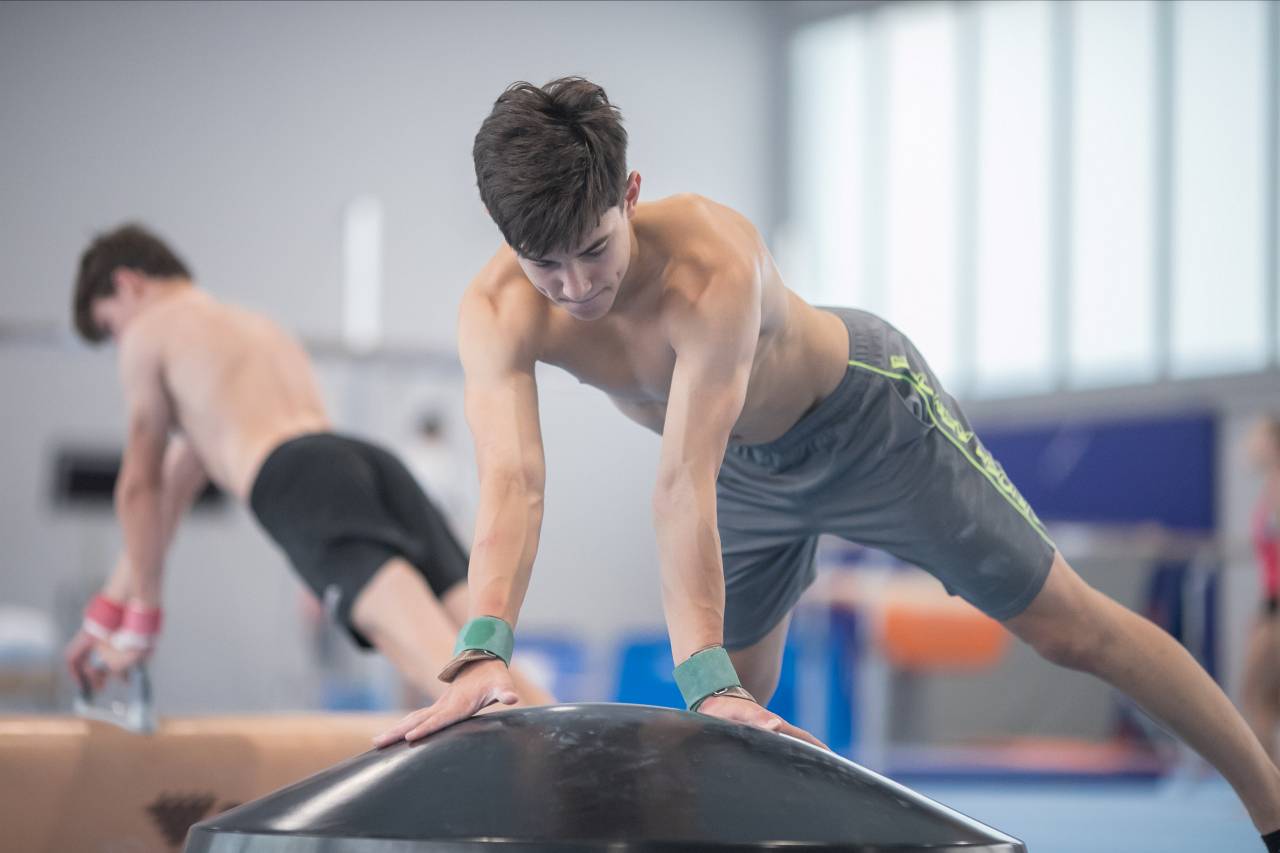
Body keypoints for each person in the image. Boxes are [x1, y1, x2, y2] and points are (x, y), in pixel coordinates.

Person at [374, 76, 1280, 848]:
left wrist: (701, 674)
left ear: (632, 194)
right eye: (545, 264)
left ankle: (1271, 800)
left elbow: (681, 480)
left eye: (594, 249)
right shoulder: (497, 309)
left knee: (1069, 627)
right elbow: (514, 479)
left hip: (867, 423)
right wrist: (482, 648)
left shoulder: (713, 265)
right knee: (728, 727)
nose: (576, 287)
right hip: (742, 473)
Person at [63, 223, 552, 710]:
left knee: (443, 670)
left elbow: (140, 489)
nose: (118, 341)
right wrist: (105, 613)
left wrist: (141, 623)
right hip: (364, 460)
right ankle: (562, 742)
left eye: (110, 327)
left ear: (127, 283)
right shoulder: (253, 326)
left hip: (293, 480)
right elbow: (167, 499)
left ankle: (519, 745)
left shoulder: (149, 332)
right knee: (488, 655)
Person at [1243, 416, 1280, 766]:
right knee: (1267, 700)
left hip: (1276, 609)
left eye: (1255, 438)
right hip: (1270, 606)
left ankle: (1269, 788)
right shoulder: (1270, 486)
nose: (1248, 446)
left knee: (1256, 697)